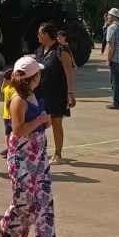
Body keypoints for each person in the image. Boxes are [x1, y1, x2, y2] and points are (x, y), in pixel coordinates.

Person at [0, 56, 62, 237]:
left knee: (44, 199)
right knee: (24, 199)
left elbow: (38, 122)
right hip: (22, 157)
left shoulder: (33, 94)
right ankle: (5, 228)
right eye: (38, 74)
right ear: (33, 77)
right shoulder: (18, 99)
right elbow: (18, 130)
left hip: (39, 155)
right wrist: (40, 120)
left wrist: (45, 122)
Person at [34, 23, 76, 164]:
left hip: (57, 93)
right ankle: (40, 151)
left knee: (56, 122)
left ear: (46, 34)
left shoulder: (61, 50)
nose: (38, 36)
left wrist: (70, 93)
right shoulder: (39, 50)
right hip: (40, 92)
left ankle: (58, 154)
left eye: (40, 33)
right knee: (39, 123)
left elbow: (69, 72)